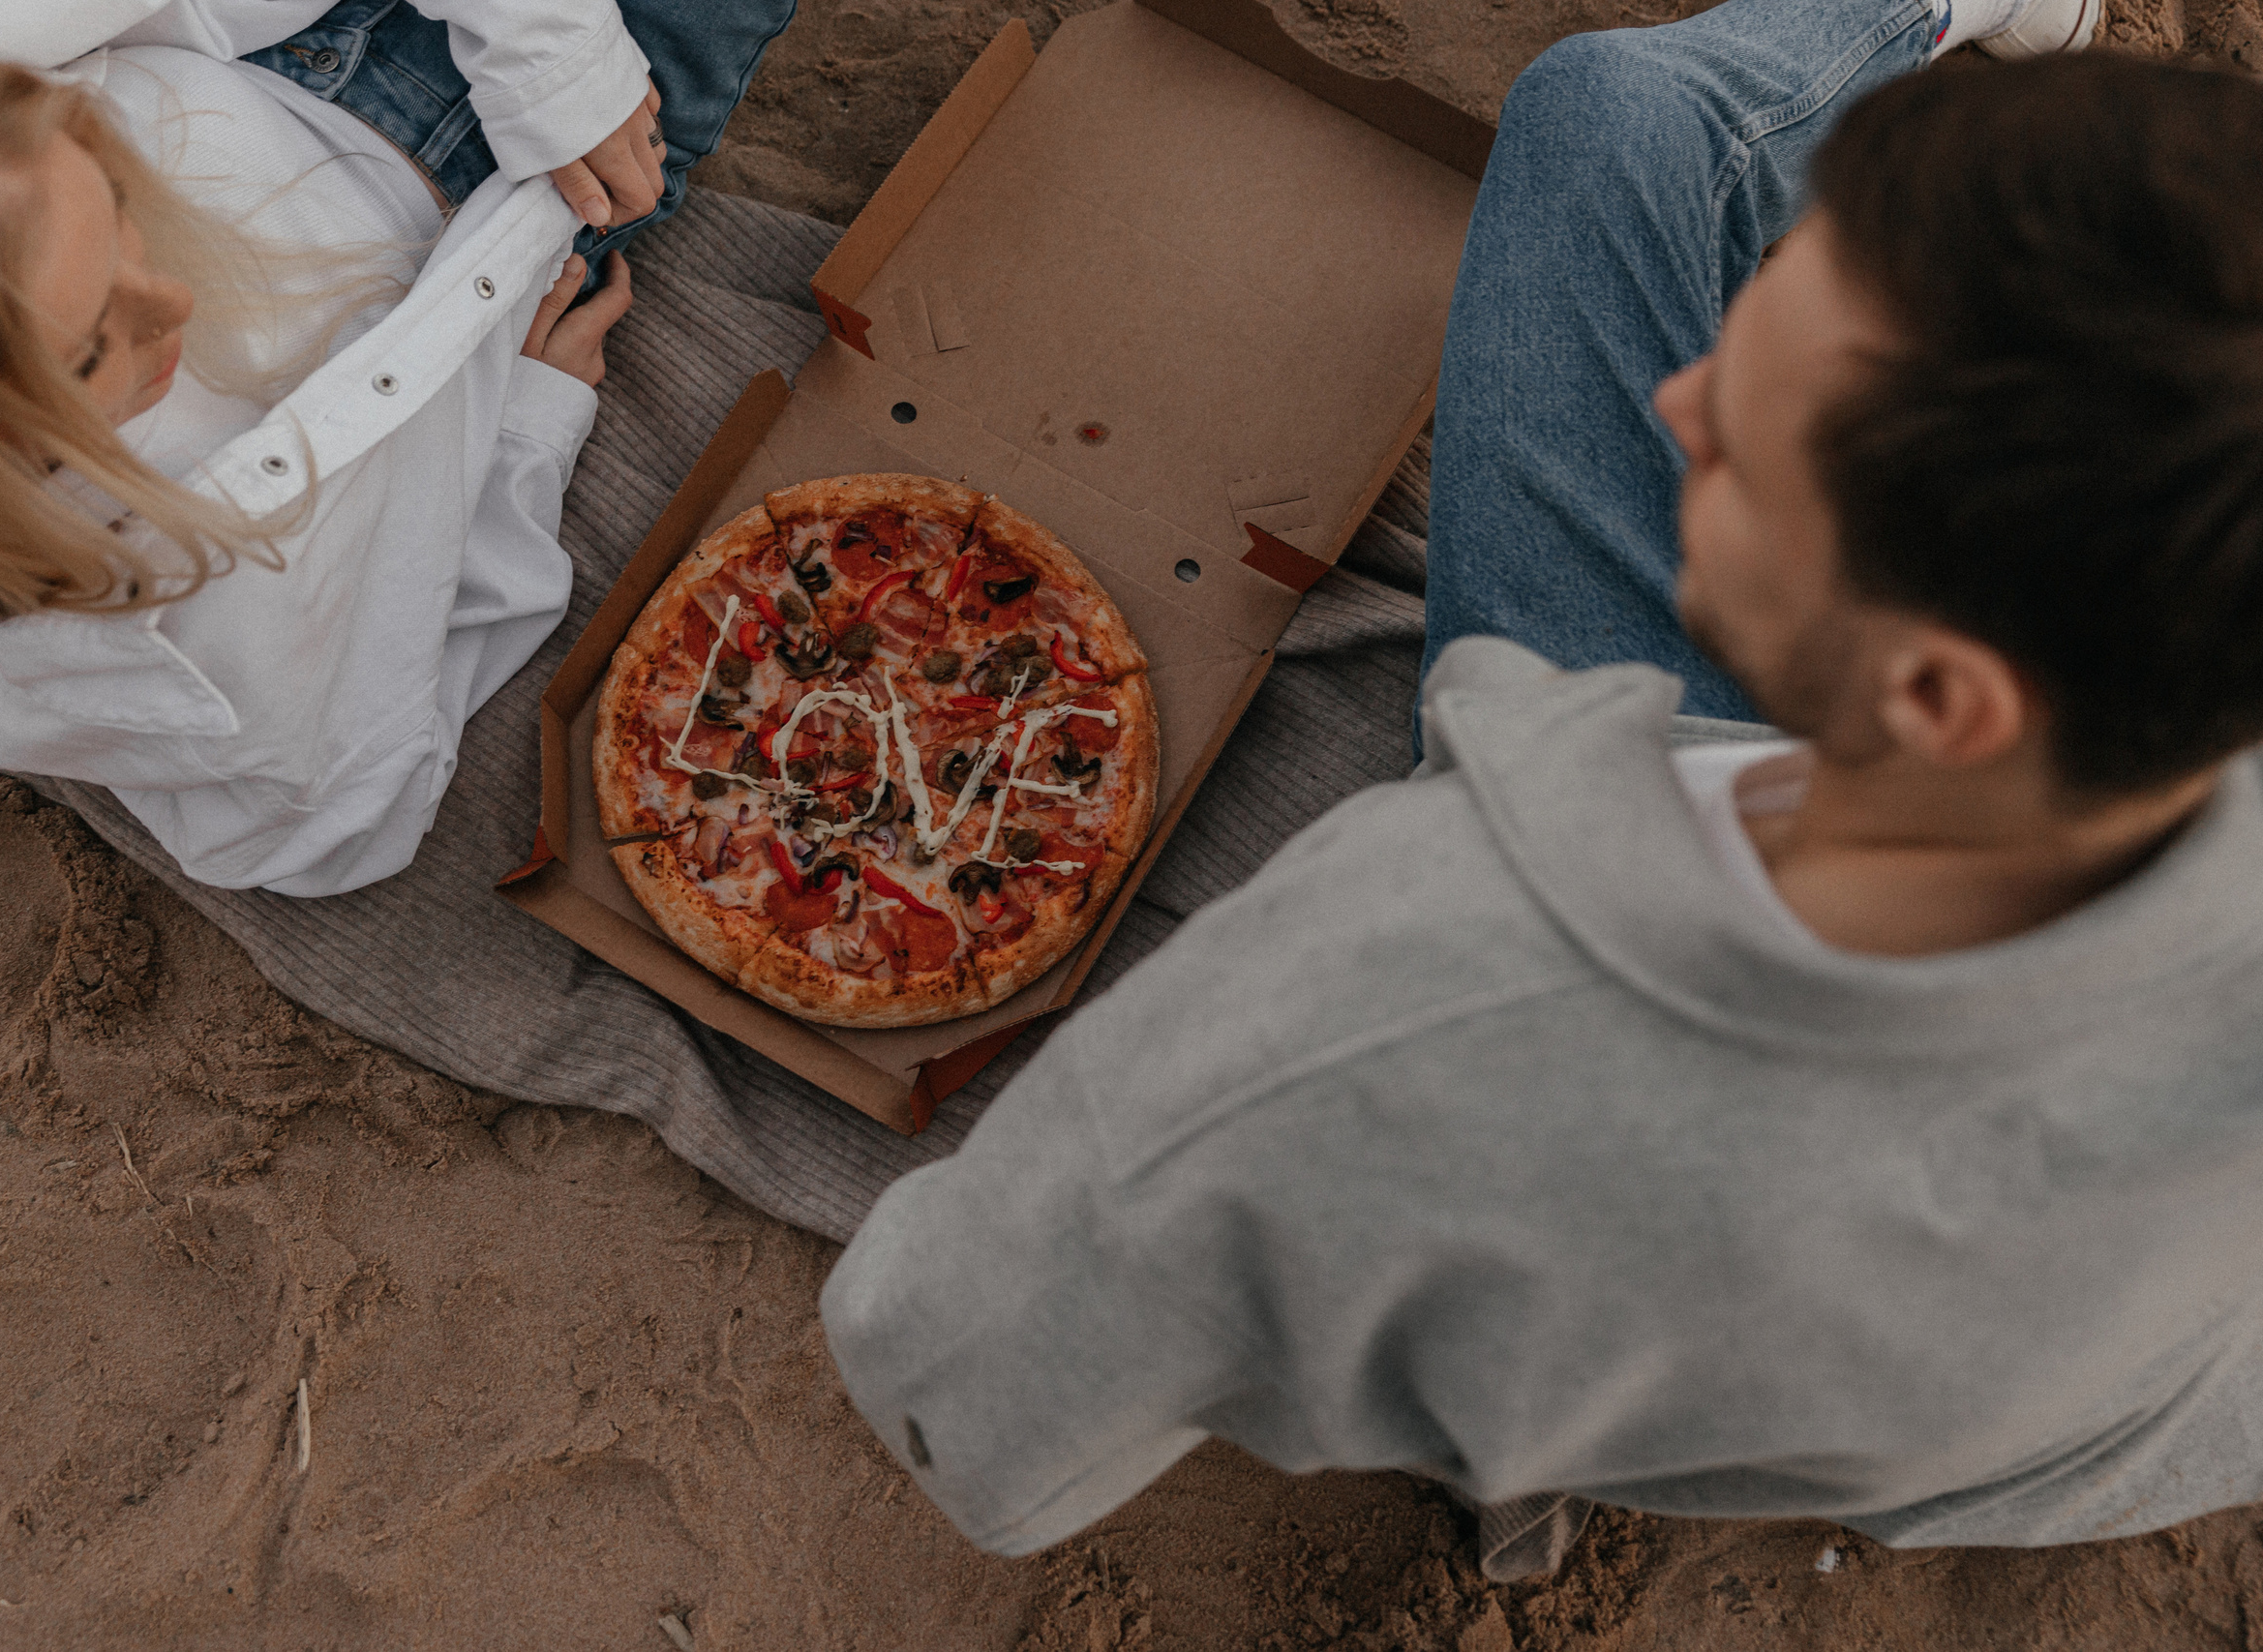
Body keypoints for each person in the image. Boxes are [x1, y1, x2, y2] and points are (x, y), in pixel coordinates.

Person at [819, 0, 2263, 1583]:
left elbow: (953, 1385)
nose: (1678, 404)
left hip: (1648, 1174)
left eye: (1742, 446)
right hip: (2083, 1405)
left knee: (1612, 120)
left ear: (1935, 696)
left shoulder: (1390, 987)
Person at [0, 0, 796, 894]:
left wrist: (539, 38)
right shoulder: (189, 635)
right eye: (92, 345)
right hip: (521, 198)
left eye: (117, 209)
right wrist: (532, 427)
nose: (170, 300)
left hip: (278, 43)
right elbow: (343, 821)